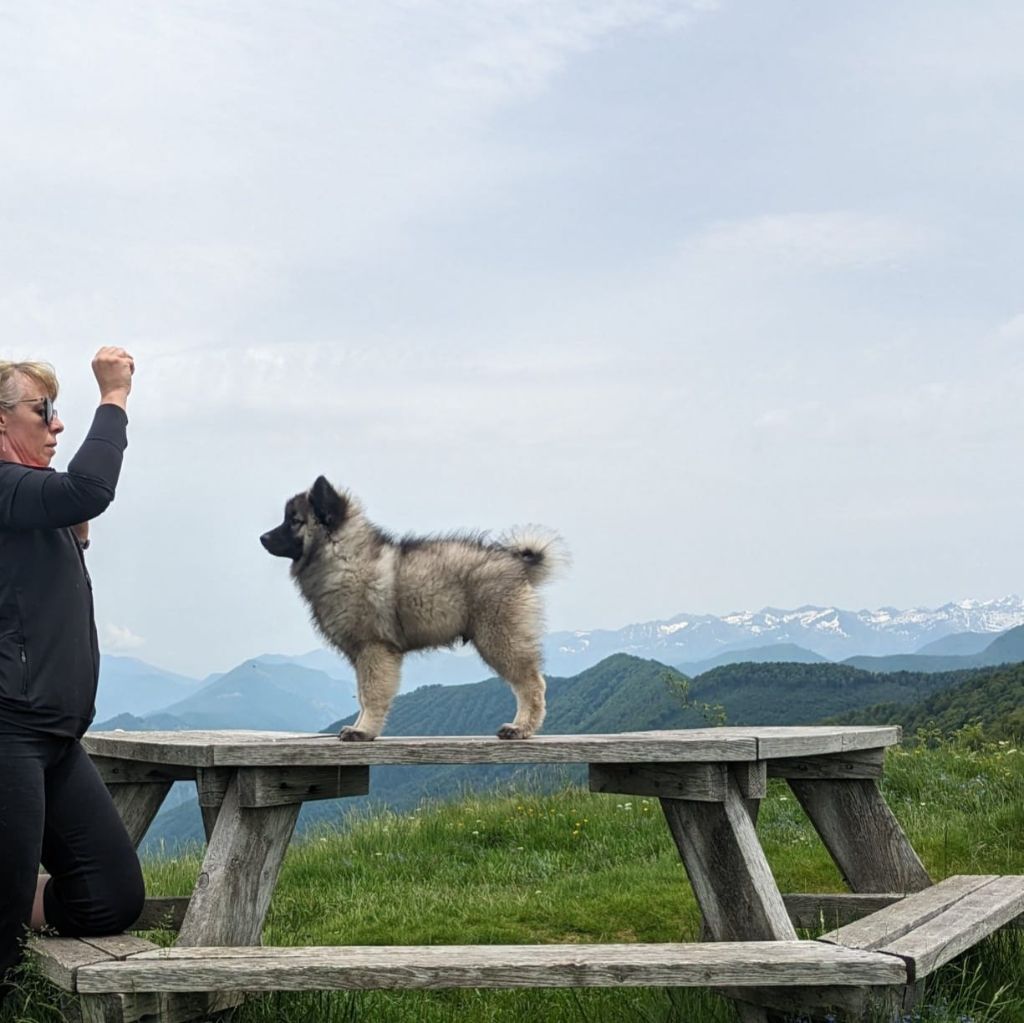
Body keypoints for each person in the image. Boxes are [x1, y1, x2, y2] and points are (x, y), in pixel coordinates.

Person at [0, 348, 145, 990]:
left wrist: (77, 533)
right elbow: (91, 488)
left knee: (110, 898)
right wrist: (113, 397)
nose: (57, 425)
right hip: (7, 730)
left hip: (55, 736)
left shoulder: (29, 500)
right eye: (44, 410)